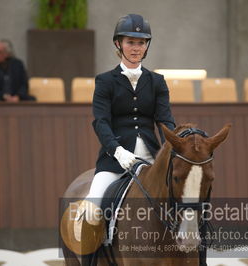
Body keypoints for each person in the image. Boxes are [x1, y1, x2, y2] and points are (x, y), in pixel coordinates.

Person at [74, 14, 175, 242]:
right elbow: (101, 122)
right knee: (93, 206)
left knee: (186, 203)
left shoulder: (157, 81)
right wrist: (117, 151)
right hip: (115, 161)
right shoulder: (105, 81)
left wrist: (172, 148)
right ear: (118, 44)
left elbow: (166, 121)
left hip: (151, 159)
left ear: (147, 45)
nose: (136, 48)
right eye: (130, 42)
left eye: (141, 42)